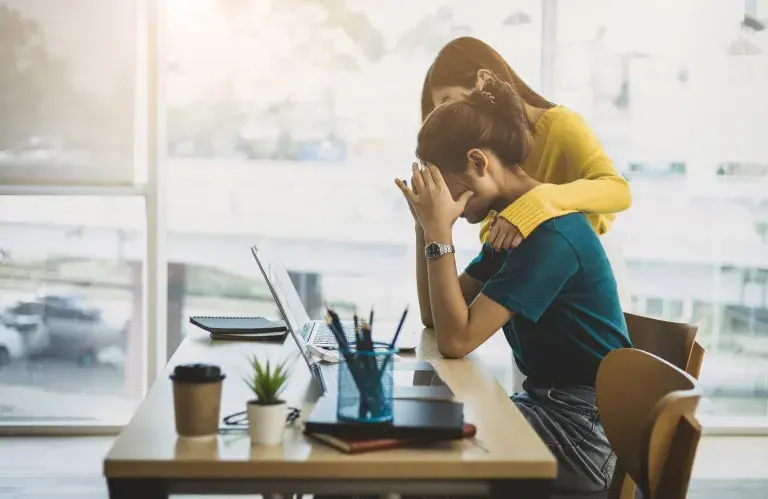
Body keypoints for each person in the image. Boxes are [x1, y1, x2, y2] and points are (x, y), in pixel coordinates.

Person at [395, 74, 632, 495]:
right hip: (547, 407)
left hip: (582, 433)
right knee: (414, 436)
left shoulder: (549, 235)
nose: (440, 198)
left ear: (478, 163)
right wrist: (423, 228)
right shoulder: (511, 226)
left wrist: (439, 233)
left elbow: (457, 339)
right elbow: (437, 316)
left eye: (441, 183)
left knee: (421, 463)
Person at [421, 36, 632, 311]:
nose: (447, 118)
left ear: (483, 80)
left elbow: (618, 190)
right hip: (527, 275)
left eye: (448, 103)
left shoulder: (560, 125)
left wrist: (536, 203)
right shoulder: (489, 155)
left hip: (582, 282)